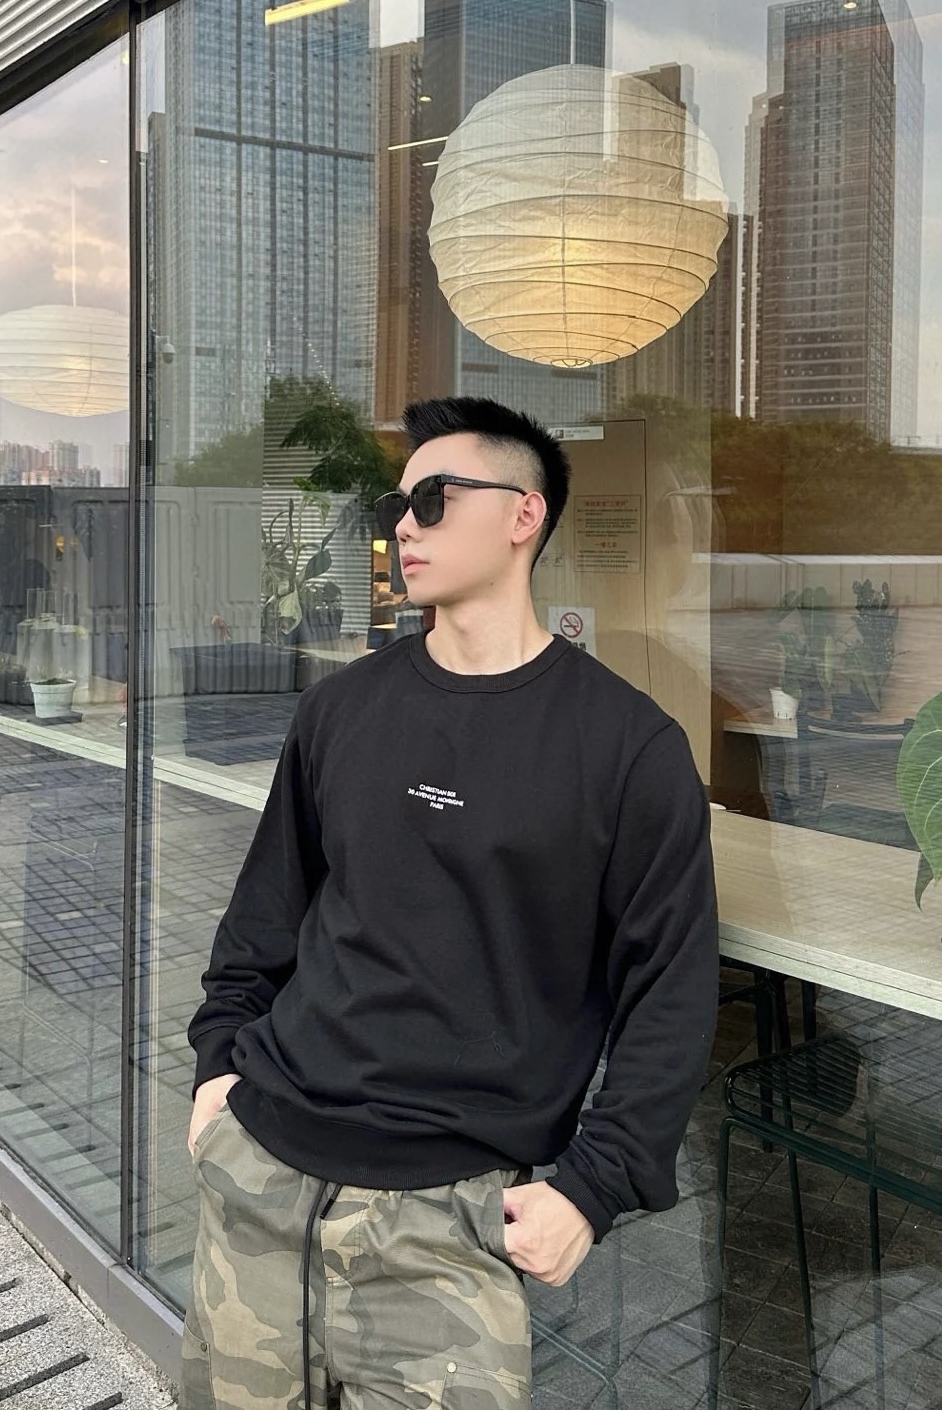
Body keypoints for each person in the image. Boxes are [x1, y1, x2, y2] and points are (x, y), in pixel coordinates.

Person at [181, 397, 719, 1410]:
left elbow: (672, 991)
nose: (404, 525)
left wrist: (593, 1187)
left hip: (450, 1220)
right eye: (397, 503)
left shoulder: (626, 746)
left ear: (523, 513)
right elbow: (267, 912)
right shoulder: (340, 707)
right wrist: (217, 1070)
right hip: (259, 1170)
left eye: (432, 498)